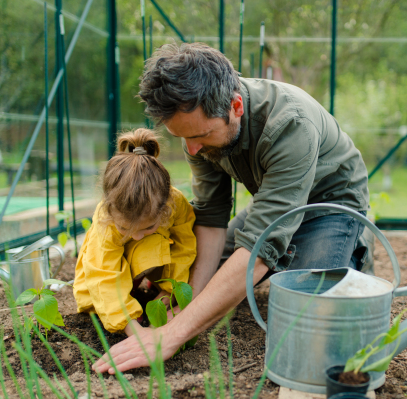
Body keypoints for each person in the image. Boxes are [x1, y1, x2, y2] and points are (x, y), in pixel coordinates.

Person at [93, 43, 370, 373]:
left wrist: (171, 336)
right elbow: (211, 216)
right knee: (196, 264)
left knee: (304, 312)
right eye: (182, 138)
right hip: (275, 204)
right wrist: (184, 308)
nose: (192, 149)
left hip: (330, 206)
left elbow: (259, 248)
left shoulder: (289, 125)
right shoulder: (197, 129)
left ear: (235, 106)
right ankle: (290, 258)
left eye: (200, 136)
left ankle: (350, 254)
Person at [74, 129, 197, 336]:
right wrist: (133, 329)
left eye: (148, 226)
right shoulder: (105, 220)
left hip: (144, 265)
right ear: (110, 212)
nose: (137, 235)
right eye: (124, 228)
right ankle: (124, 303)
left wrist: (169, 290)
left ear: (164, 208)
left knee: (157, 242)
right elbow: (103, 274)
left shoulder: (175, 203)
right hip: (106, 270)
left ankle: (145, 286)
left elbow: (184, 249)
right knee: (94, 297)